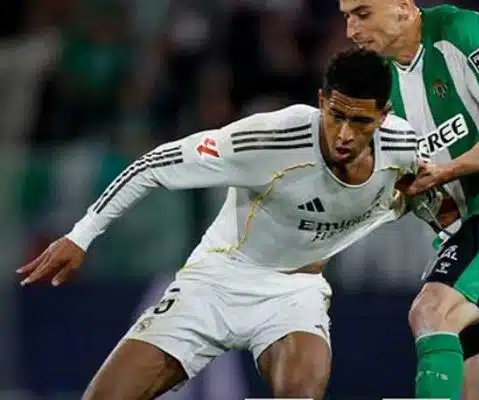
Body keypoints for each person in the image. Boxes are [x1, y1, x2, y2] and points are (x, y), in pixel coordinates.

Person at [17, 48, 440, 400]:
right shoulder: (271, 139)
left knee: (302, 393)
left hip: (294, 293)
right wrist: (81, 235)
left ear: (383, 116)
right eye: (335, 115)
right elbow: (155, 164)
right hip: (215, 283)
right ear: (320, 100)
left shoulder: (403, 149)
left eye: (360, 122)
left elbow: (432, 198)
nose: (344, 134)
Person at [340, 1, 479, 399]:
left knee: (431, 312)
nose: (351, 31)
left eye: (362, 14)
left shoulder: (462, 33)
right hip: (465, 233)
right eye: (346, 17)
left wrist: (449, 171)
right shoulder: (380, 86)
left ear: (403, 7)